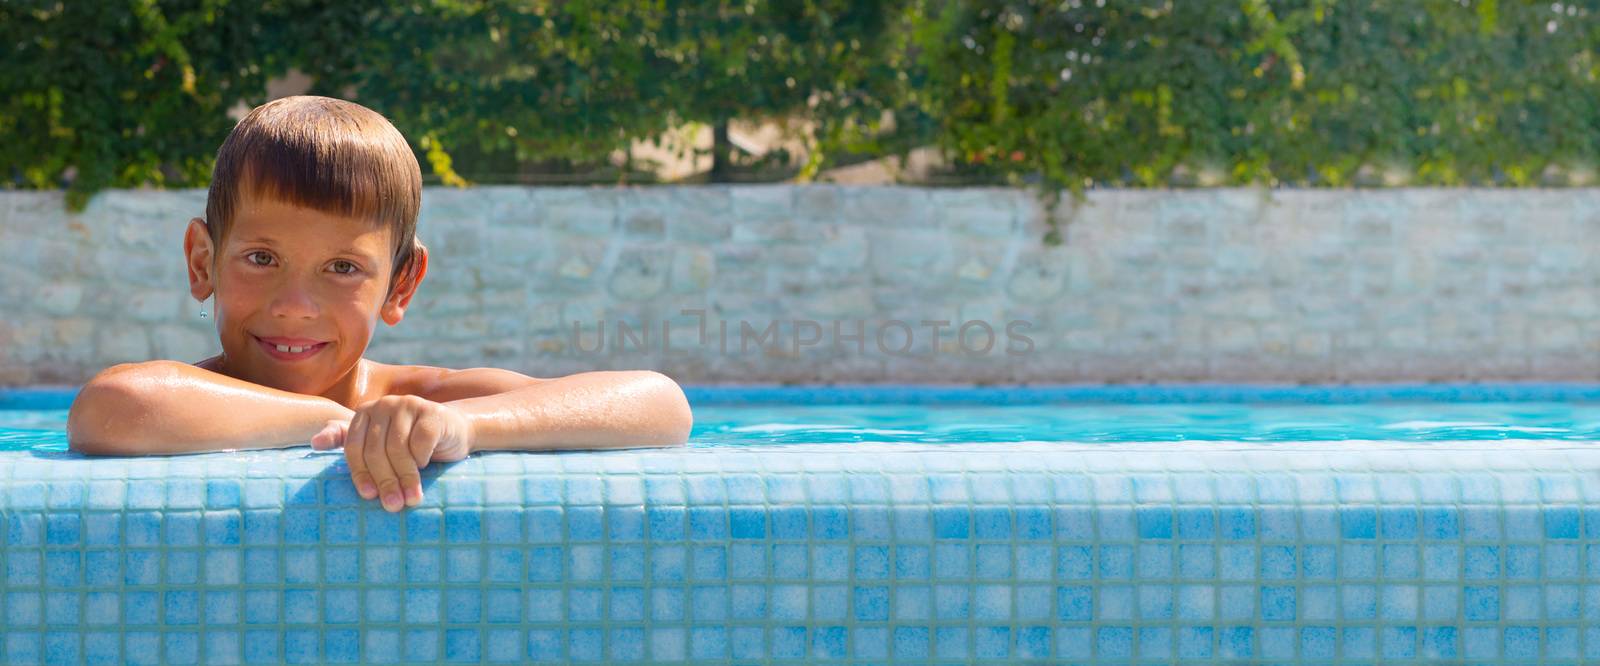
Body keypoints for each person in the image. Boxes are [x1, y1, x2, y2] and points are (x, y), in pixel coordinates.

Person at [67, 96, 693, 512]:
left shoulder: (425, 402)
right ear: (202, 262)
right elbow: (111, 408)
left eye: (342, 268)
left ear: (401, 285)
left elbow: (659, 402)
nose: (294, 306)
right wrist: (335, 424)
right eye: (262, 259)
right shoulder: (183, 397)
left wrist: (467, 427)